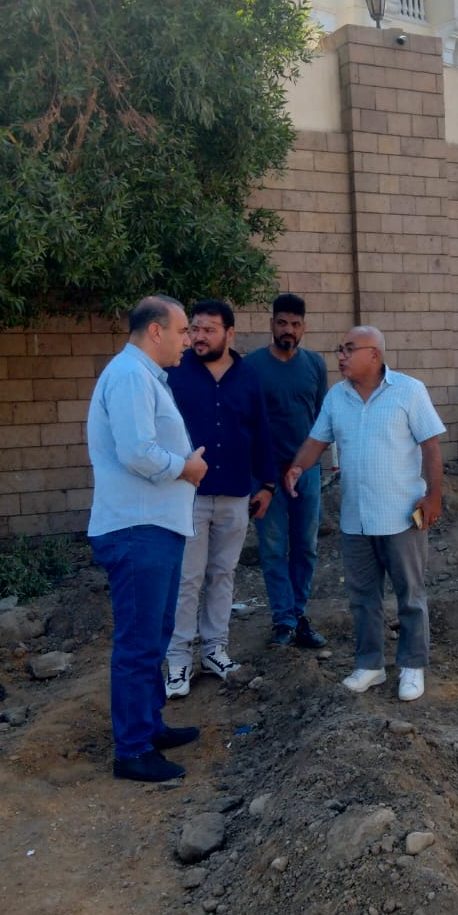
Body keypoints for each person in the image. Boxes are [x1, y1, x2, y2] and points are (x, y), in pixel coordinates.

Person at [284, 325, 445, 701]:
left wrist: (434, 496)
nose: (340, 356)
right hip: (355, 519)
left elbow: (431, 446)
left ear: (374, 355)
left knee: (410, 594)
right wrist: (297, 467)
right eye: (339, 349)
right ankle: (370, 665)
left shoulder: (409, 391)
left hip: (401, 516)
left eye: (348, 349)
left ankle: (412, 666)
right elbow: (316, 441)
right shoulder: (336, 397)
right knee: (362, 597)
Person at [87, 296, 208, 783]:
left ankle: (148, 725)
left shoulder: (144, 376)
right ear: (155, 331)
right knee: (139, 643)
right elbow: (137, 451)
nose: (189, 341)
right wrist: (186, 467)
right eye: (182, 331)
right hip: (138, 529)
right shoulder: (130, 376)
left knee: (154, 635)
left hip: (154, 527)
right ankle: (133, 750)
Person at [164, 299, 275, 698]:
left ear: (230, 333)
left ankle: (214, 650)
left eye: (208, 330)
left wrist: (267, 485)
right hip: (187, 496)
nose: (198, 336)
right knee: (187, 579)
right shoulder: (175, 373)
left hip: (235, 495)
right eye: (194, 328)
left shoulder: (248, 377)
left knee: (223, 575)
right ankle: (178, 660)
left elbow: (261, 431)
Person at [243, 293, 329, 649]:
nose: (288, 330)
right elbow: (246, 422)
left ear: (303, 327)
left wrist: (306, 463)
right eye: (282, 323)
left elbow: (322, 420)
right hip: (266, 476)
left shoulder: (315, 365)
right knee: (273, 548)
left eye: (295, 324)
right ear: (272, 325)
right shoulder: (251, 366)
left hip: (307, 472)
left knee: (306, 547)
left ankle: (299, 614)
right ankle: (283, 620)